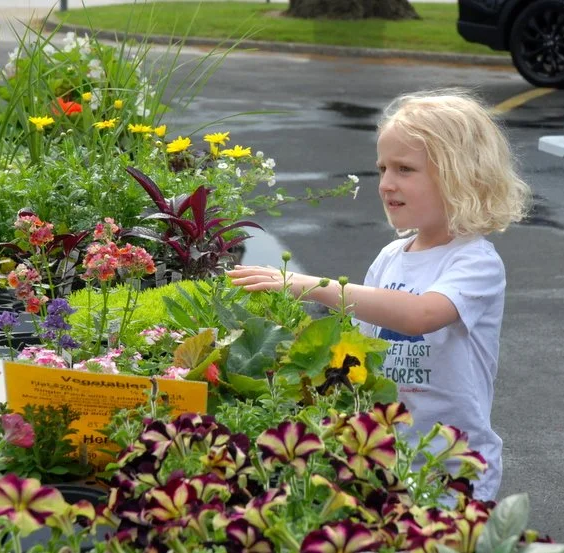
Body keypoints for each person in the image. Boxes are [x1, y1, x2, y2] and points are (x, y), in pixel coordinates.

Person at [227, 89, 531, 500]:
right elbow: (359, 347)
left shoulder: (475, 262)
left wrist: (309, 287)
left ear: (461, 175)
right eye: (383, 168)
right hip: (382, 459)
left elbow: (419, 315)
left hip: (453, 469)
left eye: (405, 169)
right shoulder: (390, 257)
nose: (386, 183)